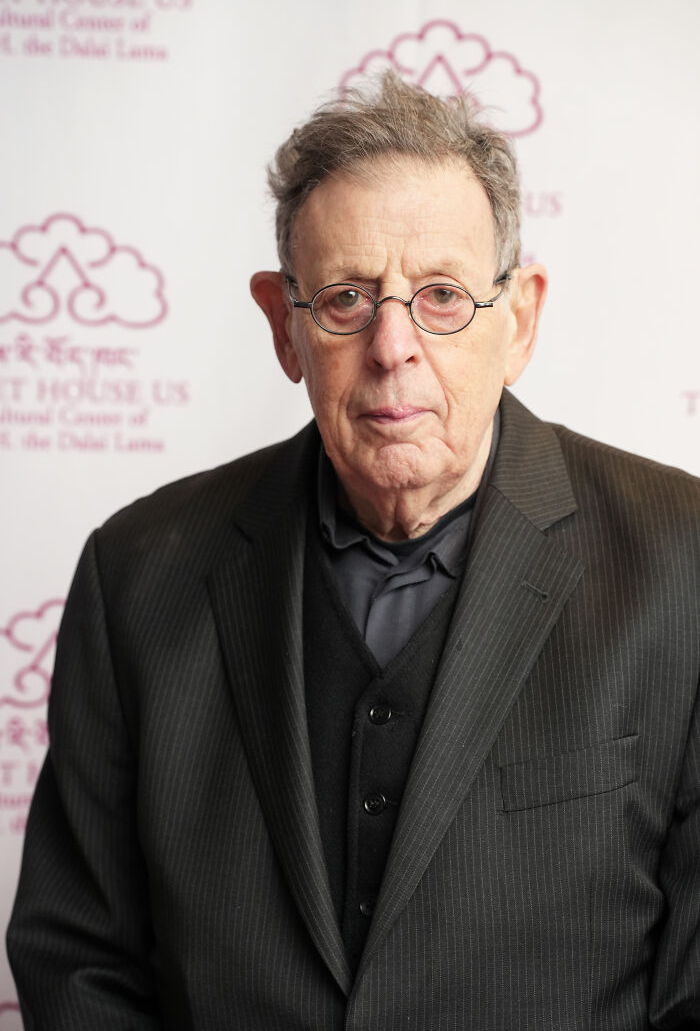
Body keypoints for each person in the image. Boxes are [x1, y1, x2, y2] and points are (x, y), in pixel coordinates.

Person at [7, 73, 700, 1029]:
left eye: (443, 296)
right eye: (345, 299)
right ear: (283, 324)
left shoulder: (683, 563)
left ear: (522, 319)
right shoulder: (138, 574)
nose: (392, 346)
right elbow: (76, 958)